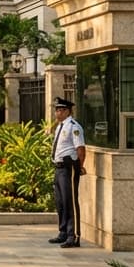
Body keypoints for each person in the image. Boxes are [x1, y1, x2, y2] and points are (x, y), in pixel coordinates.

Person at [49, 96, 86, 248]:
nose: (57, 113)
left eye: (60, 110)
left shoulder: (73, 127)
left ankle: (73, 236)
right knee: (60, 202)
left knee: (70, 201)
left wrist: (80, 166)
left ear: (67, 111)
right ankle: (63, 232)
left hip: (69, 167)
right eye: (56, 110)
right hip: (58, 168)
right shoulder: (60, 126)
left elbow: (80, 149)